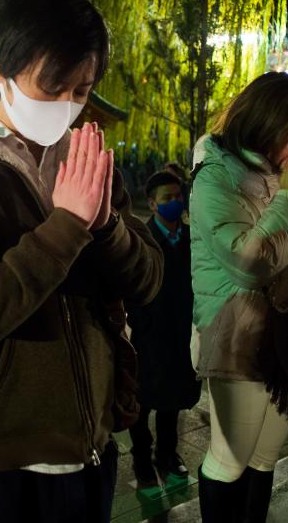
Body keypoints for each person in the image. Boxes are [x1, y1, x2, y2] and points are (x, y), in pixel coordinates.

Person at [0, 0, 163, 523]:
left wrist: (105, 225)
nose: (68, 105)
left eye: (82, 89)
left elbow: (148, 281)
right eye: (53, 86)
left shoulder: (86, 157)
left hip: (91, 446)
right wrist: (67, 224)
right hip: (2, 462)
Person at [190, 72, 288, 522]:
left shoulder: (284, 178)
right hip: (236, 335)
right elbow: (250, 262)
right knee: (230, 459)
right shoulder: (215, 176)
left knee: (265, 458)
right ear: (262, 121)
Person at [127, 171, 200, 489]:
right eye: (167, 198)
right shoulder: (140, 239)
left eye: (178, 196)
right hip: (149, 336)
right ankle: (141, 459)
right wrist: (142, 323)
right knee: (140, 405)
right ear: (152, 203)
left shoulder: (193, 237)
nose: (175, 202)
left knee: (173, 401)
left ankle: (168, 455)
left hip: (183, 333)